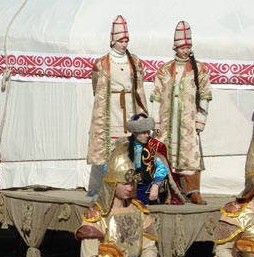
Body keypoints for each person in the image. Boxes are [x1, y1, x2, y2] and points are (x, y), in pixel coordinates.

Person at [150, 21, 212, 204]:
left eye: (188, 47)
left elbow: (205, 96)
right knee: (166, 153)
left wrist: (200, 120)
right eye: (182, 47)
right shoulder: (164, 70)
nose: (186, 50)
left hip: (188, 121)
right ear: (175, 47)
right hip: (168, 120)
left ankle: (193, 190)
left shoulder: (199, 69)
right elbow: (156, 96)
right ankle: (168, 190)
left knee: (190, 152)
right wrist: (156, 122)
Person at [87, 15, 147, 172]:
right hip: (111, 108)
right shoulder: (101, 63)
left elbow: (139, 88)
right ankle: (110, 182)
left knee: (129, 145)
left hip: (129, 107)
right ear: (113, 41)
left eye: (126, 41)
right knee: (111, 145)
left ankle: (130, 181)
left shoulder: (135, 61)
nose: (124, 44)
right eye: (121, 41)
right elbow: (96, 87)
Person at [124, 113, 182, 206]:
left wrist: (155, 185)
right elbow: (110, 167)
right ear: (134, 132)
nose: (147, 135)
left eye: (148, 132)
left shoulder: (156, 146)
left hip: (149, 184)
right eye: (143, 132)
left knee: (147, 193)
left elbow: (162, 168)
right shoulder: (123, 145)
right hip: (128, 184)